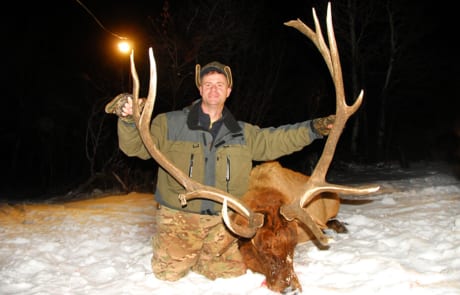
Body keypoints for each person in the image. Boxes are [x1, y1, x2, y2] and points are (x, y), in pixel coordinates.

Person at [105, 61, 335, 281]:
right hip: (180, 217)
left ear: (228, 90)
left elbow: (278, 139)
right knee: (168, 274)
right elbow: (134, 147)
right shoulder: (169, 124)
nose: (213, 89)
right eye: (208, 84)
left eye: (219, 84)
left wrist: (313, 129)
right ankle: (170, 244)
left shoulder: (243, 133)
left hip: (224, 220)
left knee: (233, 272)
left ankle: (201, 254)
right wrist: (128, 120)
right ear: (200, 89)